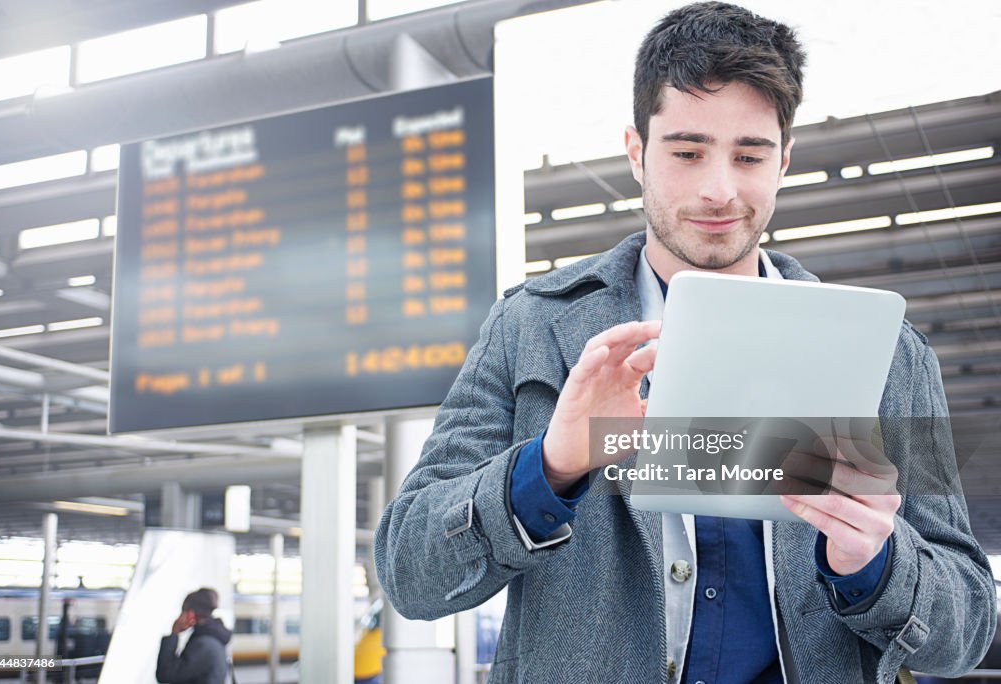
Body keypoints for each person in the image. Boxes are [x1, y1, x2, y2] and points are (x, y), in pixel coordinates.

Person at [374, 2, 997, 683]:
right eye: (687, 151)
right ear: (637, 153)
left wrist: (877, 563)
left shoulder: (886, 354)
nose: (718, 189)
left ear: (784, 161)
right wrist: (550, 466)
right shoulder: (529, 326)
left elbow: (965, 627)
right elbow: (411, 573)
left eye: (750, 154)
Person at [156, 587, 231, 684]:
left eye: (183, 611)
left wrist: (175, 632)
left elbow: (165, 674)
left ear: (190, 614)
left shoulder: (203, 645)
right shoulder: (213, 639)